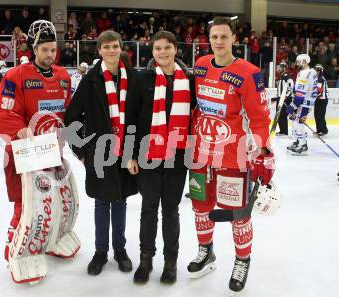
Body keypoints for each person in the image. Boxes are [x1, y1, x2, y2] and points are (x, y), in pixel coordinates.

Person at [187, 17, 274, 293]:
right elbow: (194, 108)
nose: (219, 42)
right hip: (202, 154)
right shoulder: (200, 67)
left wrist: (263, 152)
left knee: (238, 213)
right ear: (208, 39)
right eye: (214, 37)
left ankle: (242, 260)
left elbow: (260, 118)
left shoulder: (249, 72)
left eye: (224, 36)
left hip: (233, 157)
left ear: (234, 38)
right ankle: (206, 252)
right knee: (200, 208)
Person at [0, 20, 72, 262]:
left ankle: (48, 241)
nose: (50, 54)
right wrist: (21, 130)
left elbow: (66, 111)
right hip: (22, 153)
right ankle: (13, 249)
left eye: (53, 49)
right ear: (34, 49)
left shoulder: (63, 76)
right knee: (25, 203)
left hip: (51, 152)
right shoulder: (16, 76)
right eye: (45, 49)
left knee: (51, 202)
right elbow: (0, 110)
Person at [64, 30, 138, 276]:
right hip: (99, 152)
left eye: (114, 46)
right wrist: (83, 152)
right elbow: (71, 119)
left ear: (120, 48)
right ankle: (100, 251)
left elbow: (140, 116)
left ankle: (120, 250)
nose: (111, 51)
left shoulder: (133, 78)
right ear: (99, 51)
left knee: (120, 201)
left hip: (126, 150)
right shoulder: (91, 80)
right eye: (106, 47)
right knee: (101, 202)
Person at [125, 30, 195, 284]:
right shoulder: (142, 79)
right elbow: (130, 118)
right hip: (148, 153)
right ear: (152, 52)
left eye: (167, 48)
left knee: (171, 211)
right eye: (157, 49)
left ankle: (170, 262)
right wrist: (131, 155)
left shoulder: (189, 79)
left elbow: (195, 118)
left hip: (178, 155)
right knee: (148, 209)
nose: (162, 52)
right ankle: (146, 261)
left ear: (175, 49)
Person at [286, 54, 318, 155]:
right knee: (294, 120)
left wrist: (293, 106)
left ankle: (303, 145)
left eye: (299, 61)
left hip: (304, 103)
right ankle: (297, 141)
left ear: (305, 61)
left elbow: (300, 94)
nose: (297, 63)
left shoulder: (304, 73)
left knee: (297, 123)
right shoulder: (312, 71)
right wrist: (293, 86)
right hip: (307, 102)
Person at [274, 61, 294, 136]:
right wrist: (277, 98)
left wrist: (285, 96)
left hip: (284, 99)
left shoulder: (287, 77)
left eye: (280, 67)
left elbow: (291, 87)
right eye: (278, 67)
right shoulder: (281, 77)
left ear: (284, 68)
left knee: (282, 115)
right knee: (279, 114)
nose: (278, 69)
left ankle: (284, 131)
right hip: (280, 98)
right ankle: (283, 130)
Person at [313, 64, 329, 136]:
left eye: (316, 70)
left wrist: (312, 97)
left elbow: (319, 91)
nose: (314, 72)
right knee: (317, 115)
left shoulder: (320, 78)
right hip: (319, 99)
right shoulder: (318, 78)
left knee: (320, 115)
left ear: (319, 71)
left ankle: (324, 130)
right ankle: (319, 130)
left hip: (322, 100)